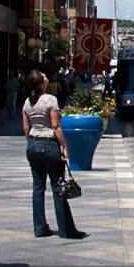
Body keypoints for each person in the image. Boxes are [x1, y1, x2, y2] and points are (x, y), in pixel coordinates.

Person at [22, 69, 87, 240]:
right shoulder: (50, 100)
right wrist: (64, 146)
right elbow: (56, 126)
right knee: (58, 186)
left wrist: (31, 142)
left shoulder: (27, 103)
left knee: (38, 187)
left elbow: (26, 128)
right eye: (44, 78)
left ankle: (40, 227)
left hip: (33, 145)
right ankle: (66, 229)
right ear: (42, 84)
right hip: (48, 144)